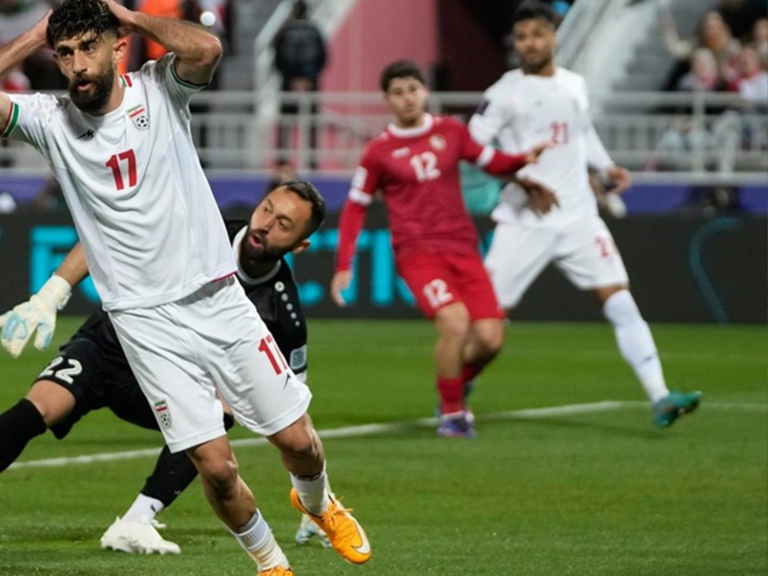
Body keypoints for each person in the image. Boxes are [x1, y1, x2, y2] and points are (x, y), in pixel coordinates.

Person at [0, 2, 369, 574]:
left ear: (117, 48)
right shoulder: (48, 118)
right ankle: (271, 564)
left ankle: (318, 504)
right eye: (64, 54)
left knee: (298, 443)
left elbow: (207, 49)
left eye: (88, 48)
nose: (77, 65)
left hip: (216, 300)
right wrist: (35, 34)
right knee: (216, 467)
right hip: (143, 324)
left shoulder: (159, 89)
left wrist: (132, 17)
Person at [0, 183, 332, 554]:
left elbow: (292, 411)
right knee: (40, 407)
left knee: (218, 413)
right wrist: (49, 296)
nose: (265, 225)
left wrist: (317, 497)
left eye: (283, 224)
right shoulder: (200, 229)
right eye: (266, 209)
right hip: (109, 346)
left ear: (300, 245)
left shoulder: (282, 312)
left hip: (164, 378)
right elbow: (106, 236)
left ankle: (135, 521)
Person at [468, 2, 702, 428]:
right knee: (489, 327)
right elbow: (474, 146)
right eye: (522, 37)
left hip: (578, 216)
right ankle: (458, 390)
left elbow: (582, 132)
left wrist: (606, 166)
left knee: (620, 300)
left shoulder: (574, 84)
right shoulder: (504, 92)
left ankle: (660, 396)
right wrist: (522, 181)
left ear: (554, 37)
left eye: (537, 34)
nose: (529, 44)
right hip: (524, 220)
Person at [330, 59, 549, 439]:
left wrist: (523, 159)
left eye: (412, 89)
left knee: (491, 339)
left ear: (425, 91)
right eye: (398, 92)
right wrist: (343, 264)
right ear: (387, 100)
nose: (407, 98)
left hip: (463, 248)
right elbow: (355, 206)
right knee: (455, 323)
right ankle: (452, 414)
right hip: (418, 254)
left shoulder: (451, 131)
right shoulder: (378, 151)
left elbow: (490, 161)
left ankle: (456, 384)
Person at [273, 0, 327, 157]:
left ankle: (282, 160)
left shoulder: (284, 31)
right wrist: (308, 78)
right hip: (310, 84)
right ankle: (312, 160)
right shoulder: (315, 31)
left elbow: (278, 58)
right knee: (311, 125)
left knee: (285, 125)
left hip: (288, 84)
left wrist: (292, 79)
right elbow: (322, 57)